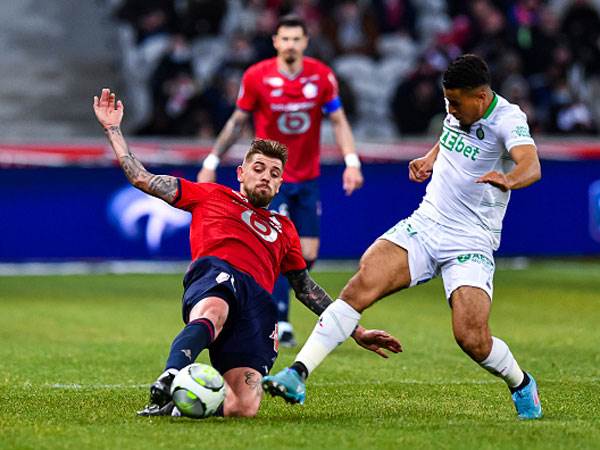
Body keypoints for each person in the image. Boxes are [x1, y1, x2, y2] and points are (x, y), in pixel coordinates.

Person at [263, 54, 544, 420]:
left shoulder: (508, 119)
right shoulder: (459, 109)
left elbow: (531, 165)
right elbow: (451, 134)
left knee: (471, 337)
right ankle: (297, 374)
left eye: (457, 103)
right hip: (427, 223)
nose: (451, 109)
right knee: (363, 282)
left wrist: (508, 179)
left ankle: (521, 382)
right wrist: (429, 158)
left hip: (471, 240)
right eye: (448, 102)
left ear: (481, 96)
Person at [92, 88, 399, 417]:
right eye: (259, 168)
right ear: (241, 173)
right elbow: (141, 178)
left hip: (258, 306)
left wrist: (356, 330)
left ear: (281, 185)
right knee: (214, 308)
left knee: (244, 407)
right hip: (217, 274)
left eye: (274, 173)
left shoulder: (285, 229)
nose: (266, 176)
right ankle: (171, 375)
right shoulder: (209, 195)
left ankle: (180, 404)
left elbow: (306, 289)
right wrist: (113, 129)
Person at [196, 15, 364, 347]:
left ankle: (273, 306)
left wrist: (351, 161)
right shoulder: (257, 76)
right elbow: (237, 121)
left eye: (295, 39)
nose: (290, 45)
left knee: (307, 254)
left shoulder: (322, 76)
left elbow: (340, 121)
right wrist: (212, 160)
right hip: (273, 180)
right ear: (275, 41)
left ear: (305, 42)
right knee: (281, 246)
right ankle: (280, 320)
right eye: (284, 39)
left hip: (308, 177)